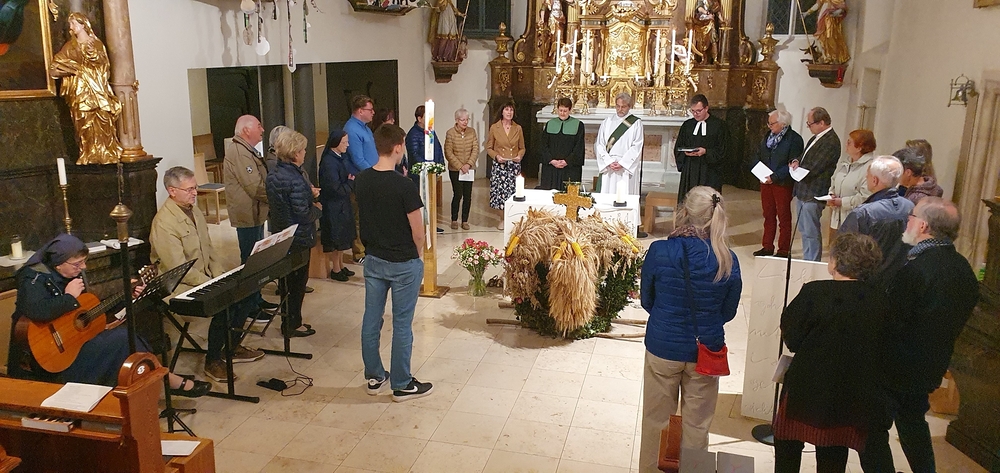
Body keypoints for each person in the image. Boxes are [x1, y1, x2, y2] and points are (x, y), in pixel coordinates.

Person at [7, 234, 211, 397]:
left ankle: (156, 382)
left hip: (72, 344)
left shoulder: (69, 274)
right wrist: (69, 297)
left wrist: (128, 295)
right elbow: (35, 311)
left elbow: (88, 311)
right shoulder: (32, 277)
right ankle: (165, 380)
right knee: (122, 340)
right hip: (48, 359)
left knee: (126, 339)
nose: (83, 268)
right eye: (77, 264)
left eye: (84, 262)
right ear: (58, 264)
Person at [860, 197, 979, 473]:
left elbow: (891, 320)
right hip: (930, 364)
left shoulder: (917, 269)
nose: (908, 221)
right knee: (912, 422)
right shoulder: (963, 269)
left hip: (895, 366)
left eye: (912, 217)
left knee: (870, 429)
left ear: (923, 225)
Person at [638, 186, 742, 472]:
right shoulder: (727, 259)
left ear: (684, 211)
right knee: (697, 428)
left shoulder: (660, 250)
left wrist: (668, 317)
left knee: (656, 423)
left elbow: (647, 300)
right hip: (705, 351)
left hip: (663, 346)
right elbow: (728, 312)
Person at [773, 233, 888, 473]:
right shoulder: (880, 299)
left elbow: (791, 337)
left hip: (806, 386)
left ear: (837, 261)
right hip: (851, 391)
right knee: (834, 451)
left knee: (787, 445)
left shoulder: (814, 292)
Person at [149, 167, 265, 382]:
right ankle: (213, 361)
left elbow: (209, 250)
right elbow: (178, 268)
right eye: (189, 189)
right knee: (223, 303)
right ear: (172, 191)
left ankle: (231, 347)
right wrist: (212, 284)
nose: (195, 193)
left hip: (204, 277)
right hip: (179, 286)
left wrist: (221, 276)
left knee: (247, 293)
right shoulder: (164, 223)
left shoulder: (194, 211)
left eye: (195, 187)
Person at [355, 124, 433, 402]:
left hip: (374, 258)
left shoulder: (362, 179)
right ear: (398, 147)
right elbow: (418, 231)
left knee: (371, 319)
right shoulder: (404, 185)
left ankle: (374, 376)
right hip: (402, 263)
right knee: (401, 323)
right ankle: (401, 383)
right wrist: (417, 254)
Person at [266, 130, 320, 338]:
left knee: (287, 283)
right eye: (303, 150)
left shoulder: (274, 174)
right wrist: (318, 209)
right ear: (296, 153)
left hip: (282, 234)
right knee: (297, 284)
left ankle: (288, 321)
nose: (305, 153)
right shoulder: (295, 179)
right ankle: (292, 324)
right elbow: (302, 213)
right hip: (298, 236)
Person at [49, 12, 123, 165]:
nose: (71, 27)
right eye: (70, 24)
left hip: (97, 90)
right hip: (80, 92)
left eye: (74, 23)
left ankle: (106, 152)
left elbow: (105, 65)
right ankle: (88, 153)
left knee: (103, 120)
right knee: (83, 122)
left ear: (83, 24)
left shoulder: (96, 44)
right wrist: (73, 69)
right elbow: (54, 69)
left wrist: (93, 56)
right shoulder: (70, 47)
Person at [224, 115, 278, 313]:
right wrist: (276, 198)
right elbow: (254, 186)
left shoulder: (247, 150)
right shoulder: (239, 152)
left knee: (256, 259)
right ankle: (249, 306)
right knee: (249, 261)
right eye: (259, 126)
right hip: (247, 215)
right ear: (246, 130)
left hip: (255, 212)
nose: (262, 130)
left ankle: (256, 298)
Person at [839, 156, 914, 281]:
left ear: (875, 180)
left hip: (869, 282)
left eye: (867, 175)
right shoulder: (910, 207)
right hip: (901, 280)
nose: (865, 177)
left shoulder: (863, 214)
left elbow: (843, 251)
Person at [790, 107, 841, 262]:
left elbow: (815, 166)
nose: (808, 127)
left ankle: (812, 263)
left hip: (813, 192)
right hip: (803, 190)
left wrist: (800, 169)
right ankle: (807, 260)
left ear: (822, 122)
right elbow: (805, 157)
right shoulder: (816, 138)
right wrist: (796, 161)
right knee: (804, 230)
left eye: (810, 123)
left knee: (811, 231)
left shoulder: (831, 141)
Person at [754, 110, 803, 258]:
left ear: (783, 123)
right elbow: (759, 154)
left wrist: (774, 177)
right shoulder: (768, 136)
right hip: (766, 181)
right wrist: (759, 172)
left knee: (783, 216)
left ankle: (783, 250)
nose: (769, 126)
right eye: (768, 123)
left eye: (772, 123)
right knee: (768, 215)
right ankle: (767, 246)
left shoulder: (794, 139)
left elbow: (792, 164)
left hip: (782, 183)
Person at [674, 94, 729, 202]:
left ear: (706, 108)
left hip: (709, 170)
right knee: (689, 199)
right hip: (690, 169)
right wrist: (685, 152)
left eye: (699, 111)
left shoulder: (719, 126)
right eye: (693, 111)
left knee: (708, 201)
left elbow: (724, 150)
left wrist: (706, 152)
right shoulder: (687, 125)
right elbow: (679, 146)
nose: (695, 114)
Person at [319, 130, 357, 282]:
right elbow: (335, 188)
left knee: (343, 237)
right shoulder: (329, 162)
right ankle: (335, 268)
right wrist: (350, 183)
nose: (347, 145)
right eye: (344, 142)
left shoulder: (340, 157)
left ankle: (340, 265)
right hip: (333, 206)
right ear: (335, 143)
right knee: (336, 238)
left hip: (341, 204)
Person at [345, 95, 378, 264]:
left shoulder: (365, 128)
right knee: (358, 217)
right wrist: (375, 174)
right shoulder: (352, 129)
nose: (373, 112)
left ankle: (370, 247)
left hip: (370, 177)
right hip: (361, 179)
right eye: (370, 110)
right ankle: (359, 252)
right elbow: (358, 159)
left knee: (369, 216)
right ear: (360, 111)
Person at [485, 100, 525, 230]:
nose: (509, 112)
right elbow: (489, 147)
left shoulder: (518, 128)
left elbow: (522, 147)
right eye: (507, 109)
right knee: (500, 193)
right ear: (502, 112)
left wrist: (519, 155)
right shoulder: (494, 127)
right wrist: (496, 156)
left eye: (511, 110)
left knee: (513, 192)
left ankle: (513, 218)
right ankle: (502, 218)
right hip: (500, 166)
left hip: (513, 165)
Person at [595, 92, 644, 196]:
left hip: (625, 167)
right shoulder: (607, 121)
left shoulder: (636, 123)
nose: (620, 109)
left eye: (623, 107)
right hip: (609, 166)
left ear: (629, 106)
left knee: (625, 195)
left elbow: (637, 146)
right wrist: (608, 161)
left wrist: (623, 163)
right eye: (617, 106)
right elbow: (600, 144)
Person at [828, 129, 875, 231]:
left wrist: (842, 202)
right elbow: (834, 179)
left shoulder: (870, 167)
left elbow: (865, 196)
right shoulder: (845, 162)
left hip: (855, 220)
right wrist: (831, 194)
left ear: (859, 147)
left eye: (849, 142)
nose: (846, 145)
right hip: (837, 217)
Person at [539, 97, 585, 191]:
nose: (562, 113)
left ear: (570, 110)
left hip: (569, 168)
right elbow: (543, 145)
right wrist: (551, 160)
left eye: (565, 111)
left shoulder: (578, 125)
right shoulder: (550, 124)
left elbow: (579, 147)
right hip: (551, 168)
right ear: (557, 109)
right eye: (560, 110)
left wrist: (567, 161)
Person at [445, 108, 479, 230]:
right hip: (455, 170)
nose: (465, 122)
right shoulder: (450, 133)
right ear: (456, 120)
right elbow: (448, 152)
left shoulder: (472, 132)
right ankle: (454, 219)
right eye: (462, 120)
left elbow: (475, 149)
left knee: (467, 195)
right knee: (458, 194)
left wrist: (468, 164)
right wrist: (460, 166)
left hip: (469, 169)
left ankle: (465, 220)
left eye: (466, 119)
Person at [404, 104, 445, 188]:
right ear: (419, 119)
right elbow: (414, 154)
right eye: (427, 117)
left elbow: (438, 147)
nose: (430, 119)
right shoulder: (413, 134)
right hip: (419, 175)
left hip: (433, 172)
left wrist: (440, 164)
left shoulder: (430, 131)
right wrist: (429, 167)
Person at [802, 0, 850, 65]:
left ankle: (833, 57)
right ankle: (825, 56)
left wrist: (837, 12)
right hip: (822, 18)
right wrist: (807, 12)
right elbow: (818, 4)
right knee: (820, 37)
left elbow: (842, 7)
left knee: (830, 37)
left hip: (830, 18)